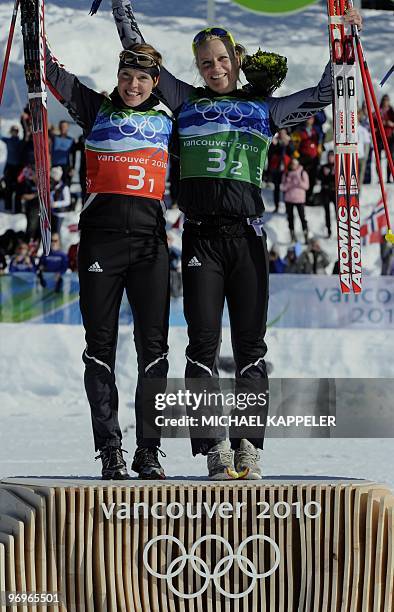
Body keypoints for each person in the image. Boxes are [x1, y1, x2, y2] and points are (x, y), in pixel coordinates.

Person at [112, 0, 362, 479]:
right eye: (206, 62)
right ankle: (213, 448)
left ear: (235, 59)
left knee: (252, 346)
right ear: (197, 68)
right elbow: (139, 55)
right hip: (202, 239)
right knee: (201, 345)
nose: (215, 68)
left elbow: (329, 91)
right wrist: (122, 9)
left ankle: (249, 444)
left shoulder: (263, 109)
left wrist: (344, 35)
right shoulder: (184, 100)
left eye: (222, 59)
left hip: (247, 240)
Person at [32, 10, 175, 481]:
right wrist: (33, 19)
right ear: (117, 77)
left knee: (154, 350)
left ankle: (148, 452)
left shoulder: (170, 115)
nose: (134, 85)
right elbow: (48, 71)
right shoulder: (94, 108)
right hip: (101, 245)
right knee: (100, 349)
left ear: (155, 82)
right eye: (127, 76)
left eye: (143, 78)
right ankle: (110, 448)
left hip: (151, 245)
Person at [280, 157, 309, 243]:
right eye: (292, 164)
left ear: (298, 164)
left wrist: (298, 181)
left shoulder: (302, 173)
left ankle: (305, 234)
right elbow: (282, 187)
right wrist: (289, 183)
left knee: (302, 218)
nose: (293, 166)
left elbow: (306, 186)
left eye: (295, 164)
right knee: (290, 218)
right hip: (289, 199)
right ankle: (292, 235)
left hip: (300, 200)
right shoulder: (286, 174)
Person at [50, 121, 76, 187]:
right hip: (55, 166)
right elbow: (48, 130)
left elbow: (73, 155)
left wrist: (72, 168)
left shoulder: (71, 140)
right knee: (54, 187)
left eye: (64, 127)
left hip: (66, 167)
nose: (62, 128)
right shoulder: (54, 138)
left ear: (67, 128)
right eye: (61, 126)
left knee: (65, 187)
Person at [318, 149, 336, 237]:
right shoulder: (324, 167)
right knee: (327, 212)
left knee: (339, 211)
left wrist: (334, 173)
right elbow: (319, 178)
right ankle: (329, 230)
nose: (330, 158)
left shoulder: (337, 166)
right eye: (329, 156)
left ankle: (340, 229)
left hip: (334, 192)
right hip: (325, 192)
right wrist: (325, 174)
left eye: (332, 156)